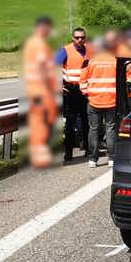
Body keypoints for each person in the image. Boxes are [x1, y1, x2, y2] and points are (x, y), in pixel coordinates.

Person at [22, 16, 58, 168]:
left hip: (35, 90)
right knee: (40, 124)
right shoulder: (39, 44)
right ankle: (40, 158)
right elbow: (43, 67)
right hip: (41, 91)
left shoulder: (32, 43)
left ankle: (38, 156)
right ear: (43, 27)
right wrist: (51, 90)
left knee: (37, 123)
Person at [79, 30, 119, 168]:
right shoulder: (115, 62)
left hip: (94, 101)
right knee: (110, 130)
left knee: (94, 130)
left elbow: (82, 80)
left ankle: (92, 160)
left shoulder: (91, 62)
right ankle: (112, 159)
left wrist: (87, 94)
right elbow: (121, 82)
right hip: (111, 101)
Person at [55, 27, 92, 163]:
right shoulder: (65, 50)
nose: (79, 40)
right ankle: (68, 153)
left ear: (85, 38)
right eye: (77, 37)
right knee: (70, 123)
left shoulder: (90, 50)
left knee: (87, 122)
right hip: (70, 91)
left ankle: (88, 149)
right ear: (72, 38)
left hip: (85, 91)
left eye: (82, 37)